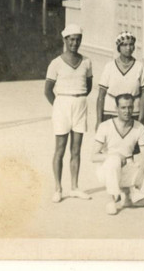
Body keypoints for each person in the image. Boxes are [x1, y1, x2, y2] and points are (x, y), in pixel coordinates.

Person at [44, 23, 93, 203]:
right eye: (71, 39)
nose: (75, 43)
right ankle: (58, 188)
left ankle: (74, 187)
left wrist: (77, 99)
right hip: (62, 106)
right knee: (60, 149)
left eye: (78, 40)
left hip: (80, 105)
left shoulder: (87, 62)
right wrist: (58, 106)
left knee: (76, 149)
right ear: (65, 40)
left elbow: (88, 86)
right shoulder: (55, 63)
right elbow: (47, 90)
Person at [92, 93, 144, 215]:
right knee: (114, 161)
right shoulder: (105, 126)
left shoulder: (139, 127)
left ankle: (128, 198)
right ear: (116, 108)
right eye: (123, 107)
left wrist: (140, 174)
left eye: (130, 107)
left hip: (128, 167)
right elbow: (93, 156)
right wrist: (115, 156)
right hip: (107, 169)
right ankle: (113, 200)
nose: (127, 111)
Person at [95, 31, 144, 127]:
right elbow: (101, 95)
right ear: (119, 47)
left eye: (131, 44)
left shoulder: (140, 66)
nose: (128, 48)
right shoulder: (109, 66)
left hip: (132, 112)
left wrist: (141, 119)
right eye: (124, 45)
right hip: (111, 111)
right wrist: (99, 120)